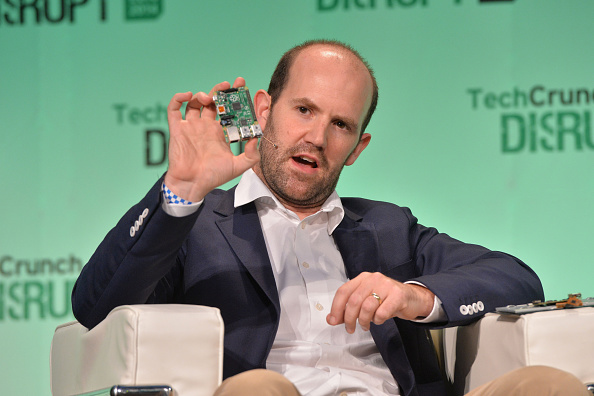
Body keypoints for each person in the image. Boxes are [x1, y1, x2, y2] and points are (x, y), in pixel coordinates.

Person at [72, 40, 588, 396]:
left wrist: (414, 295)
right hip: (270, 390)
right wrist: (181, 192)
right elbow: (96, 307)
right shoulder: (198, 224)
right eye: (304, 110)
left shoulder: (388, 227)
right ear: (263, 109)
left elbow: (517, 278)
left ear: (357, 148)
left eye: (340, 124)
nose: (317, 137)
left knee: (548, 383)